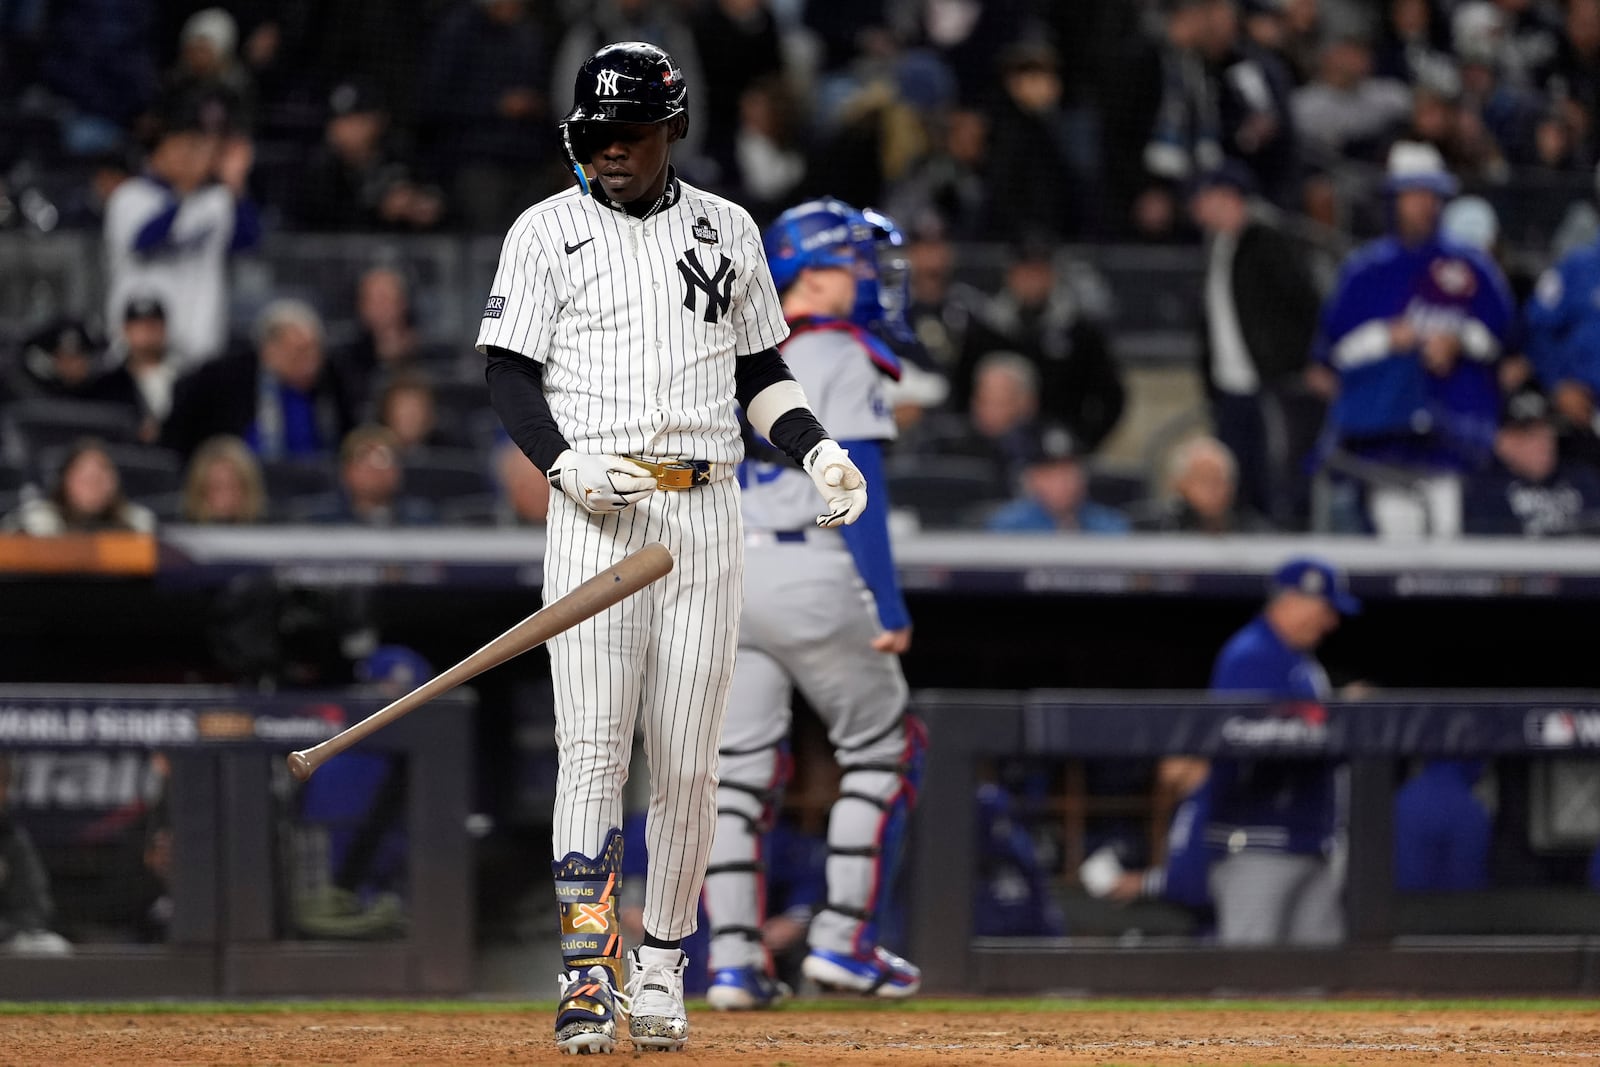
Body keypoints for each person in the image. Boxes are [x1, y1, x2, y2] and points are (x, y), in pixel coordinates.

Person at [477, 42, 868, 1055]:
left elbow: (761, 370)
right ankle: (584, 971)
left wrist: (815, 445)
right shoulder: (544, 229)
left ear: (671, 131)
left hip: (704, 512)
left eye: (629, 134)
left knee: (692, 766)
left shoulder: (727, 228)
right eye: (595, 134)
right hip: (598, 510)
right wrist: (563, 465)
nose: (609, 149)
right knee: (595, 752)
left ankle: (660, 966)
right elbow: (511, 376)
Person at [703, 199, 924, 1011]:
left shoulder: (730, 345)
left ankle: (731, 965)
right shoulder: (837, 349)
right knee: (884, 753)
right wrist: (889, 606)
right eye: (855, 265)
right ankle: (842, 941)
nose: (868, 279)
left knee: (733, 780)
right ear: (815, 273)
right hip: (814, 567)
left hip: (727, 572)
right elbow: (852, 481)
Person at [1313, 141, 1516, 537]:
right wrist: (1385, 339)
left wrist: (1459, 341)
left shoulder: (1471, 265)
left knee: (1452, 549)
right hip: (1383, 434)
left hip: (1455, 434)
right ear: (1394, 199)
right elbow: (1330, 356)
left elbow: (1504, 339)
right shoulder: (1364, 270)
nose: (1424, 204)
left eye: (1431, 194)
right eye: (1413, 194)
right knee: (1397, 550)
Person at [1205, 556, 1358, 946]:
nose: (1331, 623)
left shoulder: (1299, 663)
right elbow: (1245, 741)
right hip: (1258, 843)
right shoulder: (1252, 655)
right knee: (1250, 981)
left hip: (1308, 840)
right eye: (1324, 609)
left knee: (1314, 984)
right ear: (1291, 601)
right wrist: (1335, 723)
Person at [1189, 162, 1323, 525]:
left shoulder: (1269, 241)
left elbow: (1306, 304)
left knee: (1278, 474)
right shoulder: (1219, 245)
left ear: (1228, 198)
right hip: (1229, 385)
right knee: (1237, 480)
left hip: (1271, 381)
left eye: (1204, 197)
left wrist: (1308, 361)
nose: (1196, 206)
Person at [102, 87, 260, 370]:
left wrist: (236, 185)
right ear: (159, 150)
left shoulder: (217, 200)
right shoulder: (130, 196)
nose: (193, 156)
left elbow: (249, 241)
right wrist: (185, 191)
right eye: (184, 146)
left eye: (199, 148)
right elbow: (145, 241)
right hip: (139, 355)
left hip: (201, 350)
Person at [951, 241, 1125, 457]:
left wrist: (1083, 443)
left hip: (1059, 451)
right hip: (988, 449)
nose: (1032, 281)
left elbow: (1111, 397)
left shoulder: (1080, 332)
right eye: (1025, 272)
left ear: (1052, 274)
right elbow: (960, 389)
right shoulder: (986, 330)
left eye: (1039, 272)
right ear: (1010, 274)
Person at [162, 299, 356, 461]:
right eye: (300, 352)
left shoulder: (333, 381)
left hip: (316, 488)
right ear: (269, 350)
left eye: (316, 350)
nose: (312, 362)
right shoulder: (224, 379)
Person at [1463, 385, 1600, 535]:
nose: (1545, 443)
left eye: (1547, 432)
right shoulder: (1485, 491)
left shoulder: (1582, 480)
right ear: (1504, 443)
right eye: (1531, 435)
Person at [986, 424, 1132, 534]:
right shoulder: (1009, 526)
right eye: (1051, 474)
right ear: (1032, 479)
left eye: (1069, 470)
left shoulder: (1110, 524)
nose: (1063, 482)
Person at [1, 438, 157, 535]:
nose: (93, 488)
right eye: (86, 479)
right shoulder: (34, 524)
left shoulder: (138, 525)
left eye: (100, 480)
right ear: (65, 481)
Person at [0, 758, 71, 956]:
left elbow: (35, 908)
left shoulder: (12, 840)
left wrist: (5, 929)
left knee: (53, 948)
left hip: (4, 940)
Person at [303, 426, 435, 526]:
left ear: (397, 471)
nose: (374, 468)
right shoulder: (322, 523)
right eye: (364, 458)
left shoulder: (421, 521)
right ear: (347, 471)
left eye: (384, 458)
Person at [1140, 435, 1272, 534]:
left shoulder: (1254, 531)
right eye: (1205, 479)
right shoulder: (1157, 529)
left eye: (1221, 480)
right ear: (1180, 484)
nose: (1215, 489)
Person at [1394, 759, 1491, 893]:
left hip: (1393, 907)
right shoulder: (1467, 810)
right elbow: (1465, 885)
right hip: (1442, 908)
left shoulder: (1403, 799)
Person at [99, 297, 181, 444]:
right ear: (125, 330)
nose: (147, 332)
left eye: (153, 325)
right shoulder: (109, 382)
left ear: (164, 328)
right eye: (139, 325)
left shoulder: (185, 376)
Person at [179, 435, 269, 523]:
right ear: (199, 490)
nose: (226, 497)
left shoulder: (270, 532)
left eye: (234, 487)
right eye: (216, 487)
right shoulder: (176, 532)